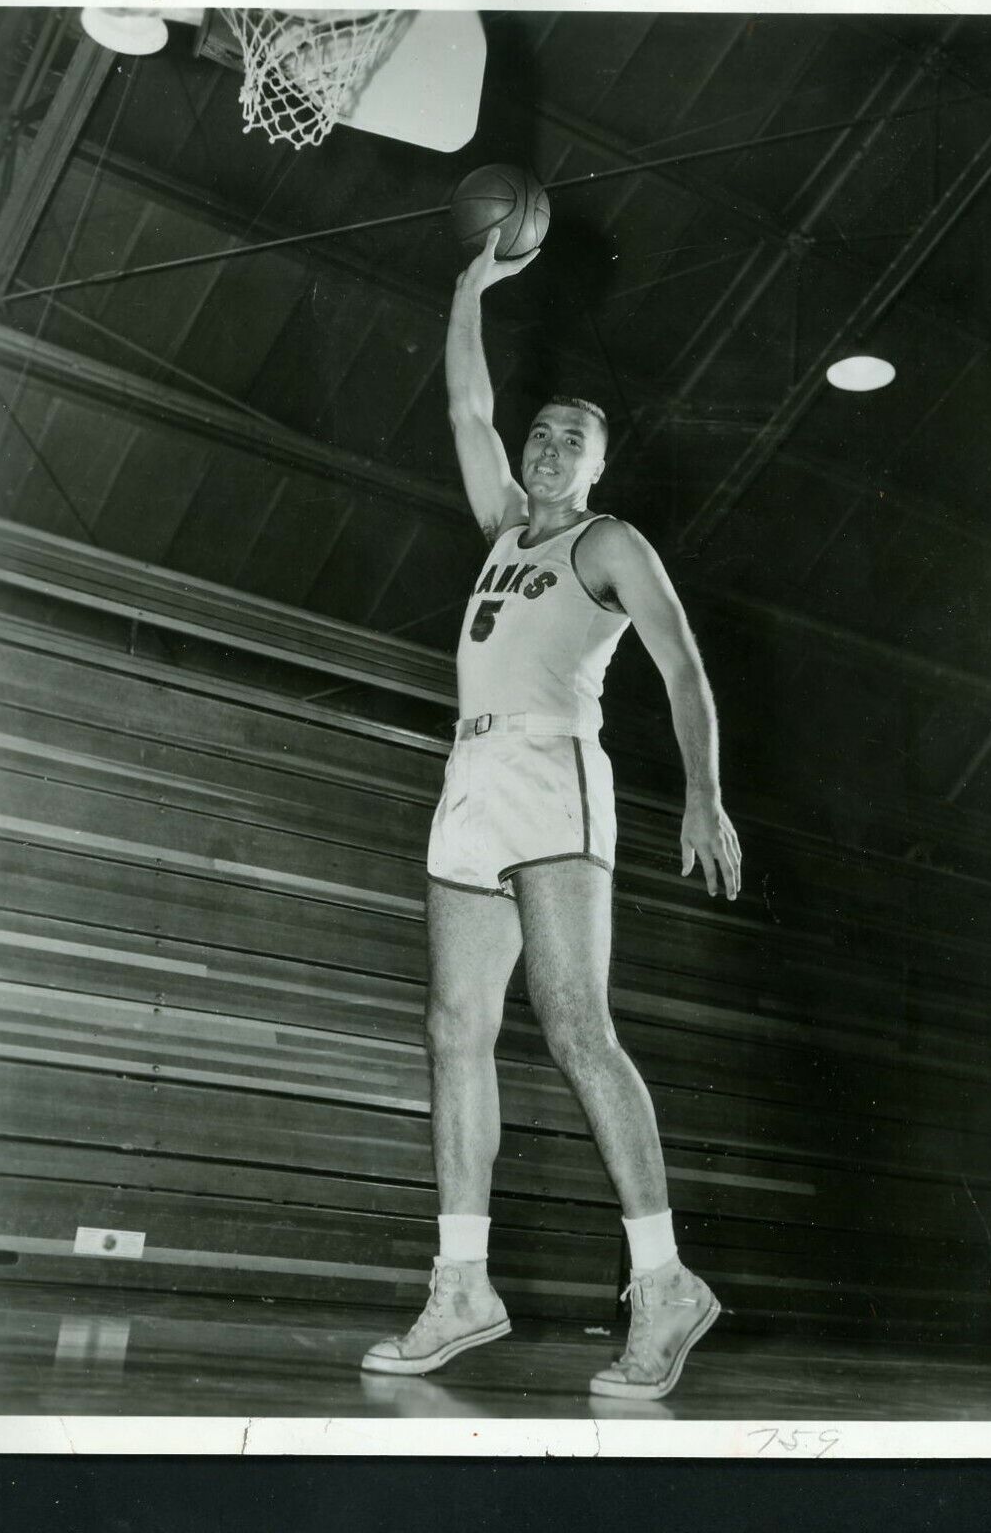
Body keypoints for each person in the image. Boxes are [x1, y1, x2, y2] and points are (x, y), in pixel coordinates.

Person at [363, 229, 741, 1401]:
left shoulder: (606, 542)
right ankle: (463, 1281)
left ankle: (667, 1278)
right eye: (541, 433)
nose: (544, 444)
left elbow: (680, 665)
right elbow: (469, 405)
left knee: (576, 1021)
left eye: (570, 439)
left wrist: (705, 792)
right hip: (469, 780)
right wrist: (469, 286)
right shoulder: (501, 533)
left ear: (596, 469)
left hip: (554, 772)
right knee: (452, 1028)